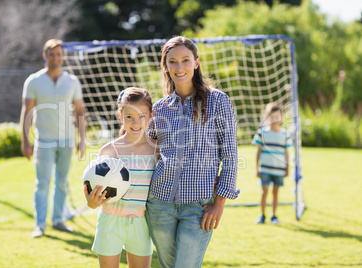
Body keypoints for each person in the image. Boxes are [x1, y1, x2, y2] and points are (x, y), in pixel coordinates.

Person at [145, 36, 239, 268]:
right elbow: (146, 153)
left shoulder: (218, 101)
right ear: (165, 66)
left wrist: (219, 203)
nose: (179, 67)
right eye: (173, 62)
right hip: (159, 204)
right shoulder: (159, 108)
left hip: (199, 206)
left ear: (196, 62)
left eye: (185, 60)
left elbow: (230, 155)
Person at [84, 87, 156, 268]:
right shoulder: (110, 150)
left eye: (141, 116)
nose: (135, 122)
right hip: (110, 220)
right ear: (120, 116)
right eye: (129, 116)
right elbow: (94, 189)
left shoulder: (157, 150)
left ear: (151, 115)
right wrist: (92, 203)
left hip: (141, 223)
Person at [20, 39, 86, 238]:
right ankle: (39, 225)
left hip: (67, 141)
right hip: (44, 140)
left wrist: (82, 139)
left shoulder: (72, 81)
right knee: (42, 183)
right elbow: (27, 111)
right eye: (52, 54)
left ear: (62, 56)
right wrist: (25, 140)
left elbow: (80, 111)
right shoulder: (34, 81)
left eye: (58, 54)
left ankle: (58, 220)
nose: (55, 58)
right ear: (45, 55)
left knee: (62, 182)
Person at [252, 102, 293, 224]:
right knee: (264, 192)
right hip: (265, 169)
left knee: (275, 192)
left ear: (282, 117)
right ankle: (262, 215)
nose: (275, 119)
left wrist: (287, 168)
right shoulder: (262, 133)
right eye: (272, 116)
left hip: (279, 170)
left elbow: (287, 153)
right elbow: (257, 152)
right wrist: (256, 168)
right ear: (267, 117)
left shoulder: (285, 134)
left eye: (277, 116)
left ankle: (273, 215)